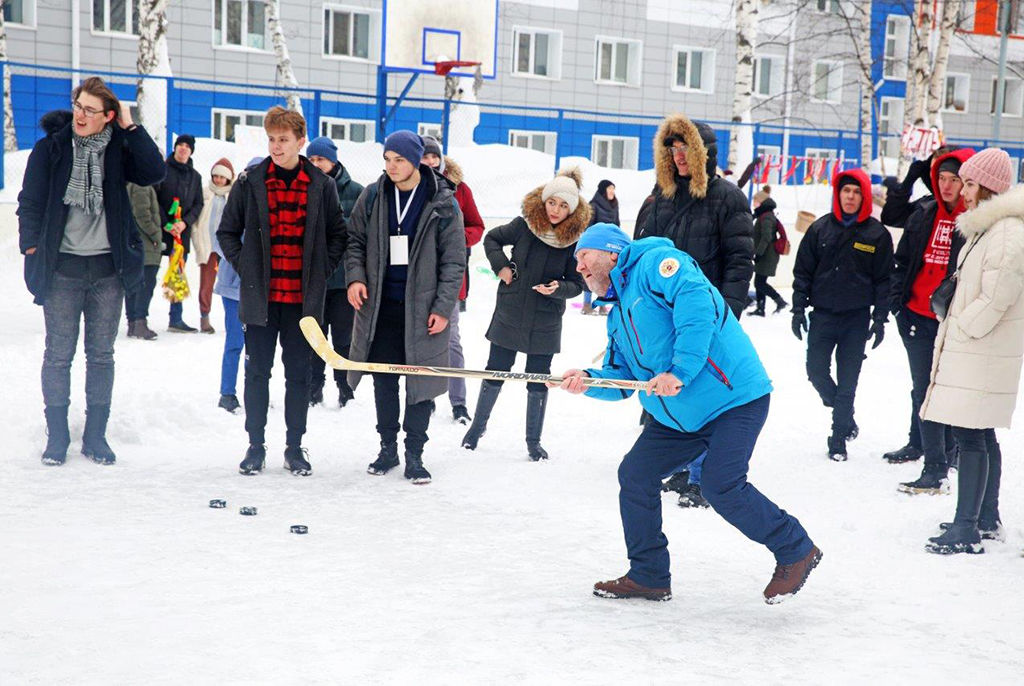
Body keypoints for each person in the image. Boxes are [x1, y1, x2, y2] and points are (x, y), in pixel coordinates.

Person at [556, 224, 821, 604]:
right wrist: (588, 380)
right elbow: (625, 378)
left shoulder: (657, 264)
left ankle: (796, 548)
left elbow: (698, 307)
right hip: (679, 418)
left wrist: (680, 370)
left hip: (733, 400)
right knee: (636, 474)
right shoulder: (617, 316)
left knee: (720, 484)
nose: (578, 266)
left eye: (583, 256)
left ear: (611, 252)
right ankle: (649, 575)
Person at [18, 77, 165, 465]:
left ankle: (96, 436)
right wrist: (31, 245)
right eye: (78, 106)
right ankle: (58, 436)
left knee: (101, 356)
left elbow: (154, 172)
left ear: (108, 117)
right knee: (58, 355)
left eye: (90, 110)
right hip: (62, 269)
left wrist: (131, 128)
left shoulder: (118, 151)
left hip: (107, 272)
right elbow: (30, 200)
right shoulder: (51, 149)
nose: (81, 116)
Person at [217, 107, 347, 476]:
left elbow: (338, 234)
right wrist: (247, 266)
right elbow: (227, 231)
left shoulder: (322, 186)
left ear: (300, 141)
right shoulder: (250, 181)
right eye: (271, 139)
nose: (276, 146)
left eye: (283, 140)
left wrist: (321, 271)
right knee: (257, 372)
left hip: (302, 302)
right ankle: (255, 445)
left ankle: (294, 446)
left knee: (299, 375)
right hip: (262, 298)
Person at [345, 131, 466, 485]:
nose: (392, 166)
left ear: (415, 161)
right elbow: (355, 240)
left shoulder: (442, 202)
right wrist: (355, 278)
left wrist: (443, 307)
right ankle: (387, 449)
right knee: (384, 379)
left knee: (421, 384)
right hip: (381, 306)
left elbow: (454, 261)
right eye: (387, 159)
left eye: (399, 159)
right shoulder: (373, 196)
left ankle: (415, 453)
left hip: (423, 309)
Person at [921, 149, 1023, 554]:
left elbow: (999, 295)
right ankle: (984, 517)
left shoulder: (1007, 232)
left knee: (970, 437)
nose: (961, 191)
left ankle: (967, 527)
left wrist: (963, 329)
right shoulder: (990, 228)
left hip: (981, 349)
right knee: (979, 434)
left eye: (968, 183)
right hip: (980, 350)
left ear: (988, 187)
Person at [461, 168, 589, 461]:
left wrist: (559, 287)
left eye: (564, 205)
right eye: (552, 202)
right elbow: (491, 239)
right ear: (544, 201)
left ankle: (534, 441)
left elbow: (578, 284)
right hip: (512, 310)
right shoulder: (523, 225)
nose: (556, 210)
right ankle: (476, 429)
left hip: (546, 319)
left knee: (538, 379)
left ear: (572, 210)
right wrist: (501, 266)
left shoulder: (574, 241)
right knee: (496, 369)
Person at [886, 149, 975, 493]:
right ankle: (934, 465)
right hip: (915, 315)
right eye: (942, 178)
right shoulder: (924, 211)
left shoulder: (975, 219)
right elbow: (903, 258)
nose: (948, 185)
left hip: (952, 321)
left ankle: (947, 456)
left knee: (948, 391)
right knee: (924, 390)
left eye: (955, 179)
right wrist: (898, 303)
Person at [792, 169, 894, 461]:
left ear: (864, 196)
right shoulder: (820, 229)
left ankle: (838, 438)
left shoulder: (877, 234)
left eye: (856, 192)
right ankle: (845, 414)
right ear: (838, 194)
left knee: (848, 380)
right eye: (846, 191)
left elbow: (884, 281)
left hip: (856, 319)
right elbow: (802, 272)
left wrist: (879, 318)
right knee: (816, 371)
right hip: (823, 316)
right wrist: (798, 309)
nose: (850, 197)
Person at [635, 113, 754, 319]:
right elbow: (646, 252)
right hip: (662, 310)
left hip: (704, 312)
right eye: (674, 149)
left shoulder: (729, 198)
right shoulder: (664, 196)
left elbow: (739, 263)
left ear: (703, 153)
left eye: (686, 148)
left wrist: (726, 315)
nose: (679, 157)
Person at [420, 135, 485, 425]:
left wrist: (456, 241)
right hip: (417, 280)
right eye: (424, 156)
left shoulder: (460, 189)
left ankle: (458, 402)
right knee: (420, 341)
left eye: (434, 156)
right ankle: (425, 398)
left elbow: (477, 226)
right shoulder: (410, 188)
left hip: (451, 279)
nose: (430, 161)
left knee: (452, 341)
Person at [305, 136, 364, 409]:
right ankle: (314, 387)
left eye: (321, 159)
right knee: (316, 337)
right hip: (313, 280)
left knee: (343, 339)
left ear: (334, 160)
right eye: (312, 159)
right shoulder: (303, 188)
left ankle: (345, 387)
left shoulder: (355, 191)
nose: (316, 164)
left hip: (343, 280)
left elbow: (359, 232)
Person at [214, 156, 264, 414]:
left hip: (260, 289)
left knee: (258, 345)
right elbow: (219, 241)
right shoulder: (235, 202)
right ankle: (227, 392)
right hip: (234, 287)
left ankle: (254, 391)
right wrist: (245, 259)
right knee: (235, 341)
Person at [155, 133, 204, 332]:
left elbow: (198, 204)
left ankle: (175, 319)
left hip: (180, 234)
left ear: (191, 151)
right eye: (180, 145)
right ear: (175, 148)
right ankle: (138, 318)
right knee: (149, 272)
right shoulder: (163, 170)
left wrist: (185, 223)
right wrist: (166, 223)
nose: (183, 148)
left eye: (187, 146)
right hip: (159, 231)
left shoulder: (195, 176)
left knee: (178, 274)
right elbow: (154, 199)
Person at [192, 157, 235, 334]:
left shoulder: (233, 196)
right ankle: (205, 317)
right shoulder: (204, 193)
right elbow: (197, 222)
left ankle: (233, 318)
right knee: (207, 284)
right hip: (209, 247)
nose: (218, 179)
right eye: (215, 176)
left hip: (227, 249)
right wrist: (198, 243)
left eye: (222, 177)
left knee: (230, 284)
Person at [125, 181, 165, 340]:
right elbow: (142, 214)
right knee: (145, 285)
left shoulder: (136, 185)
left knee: (134, 285)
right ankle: (140, 322)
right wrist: (156, 235)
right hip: (145, 244)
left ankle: (133, 324)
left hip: (137, 244)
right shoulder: (142, 186)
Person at [749, 185, 787, 316]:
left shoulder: (767, 216)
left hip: (767, 254)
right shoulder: (763, 214)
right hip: (764, 253)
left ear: (761, 201)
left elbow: (766, 237)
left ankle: (779, 301)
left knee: (759, 282)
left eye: (755, 201)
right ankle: (760, 309)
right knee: (759, 282)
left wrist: (758, 254)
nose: (753, 203)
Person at [582, 179, 619, 316]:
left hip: (609, 247)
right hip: (595, 245)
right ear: (603, 191)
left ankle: (602, 304)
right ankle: (586, 304)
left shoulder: (614, 205)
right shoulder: (593, 205)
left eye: (613, 189)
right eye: (610, 189)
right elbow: (588, 227)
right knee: (591, 272)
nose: (612, 192)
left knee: (605, 275)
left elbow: (617, 225)